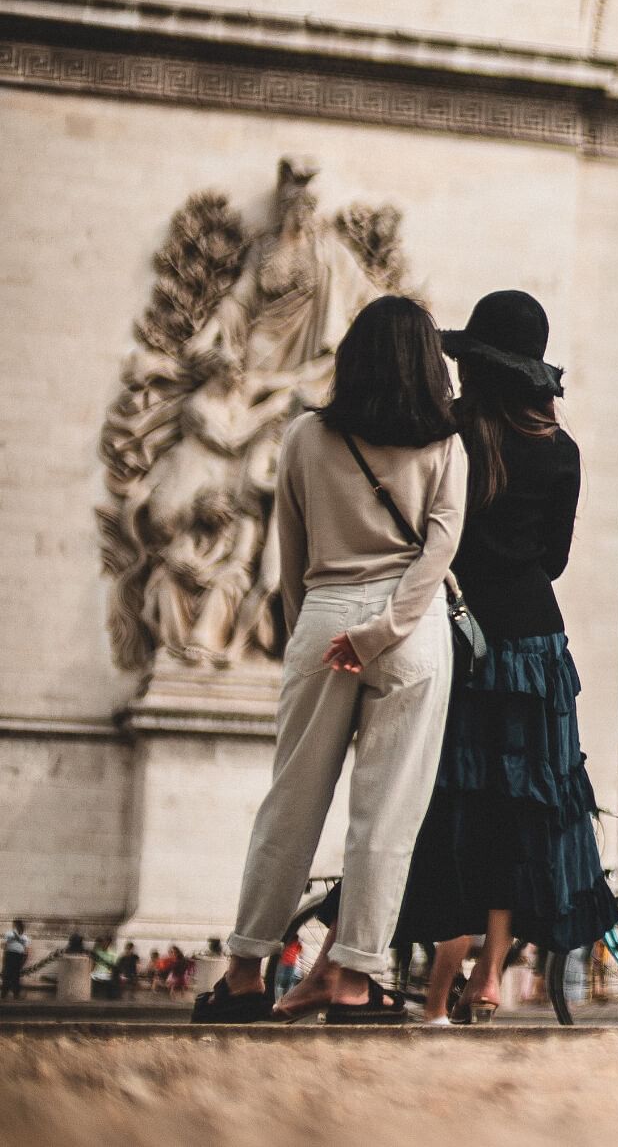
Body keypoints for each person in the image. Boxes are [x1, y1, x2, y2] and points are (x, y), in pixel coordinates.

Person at [194, 295, 467, 1026]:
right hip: (411, 634)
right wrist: (384, 632)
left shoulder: (304, 438)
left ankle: (245, 972)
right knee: (386, 817)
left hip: (324, 620)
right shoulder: (446, 443)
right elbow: (439, 554)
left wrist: (311, 639)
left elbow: (291, 555)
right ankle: (354, 980)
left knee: (291, 805)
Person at [391, 289, 617, 1026]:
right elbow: (553, 559)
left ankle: (432, 992)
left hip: (460, 638)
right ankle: (490, 973)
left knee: (459, 807)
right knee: (525, 810)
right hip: (536, 645)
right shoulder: (562, 451)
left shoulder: (451, 436)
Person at [3, 920, 27, 1000]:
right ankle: (16, 994)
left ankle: (4, 994)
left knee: (7, 975)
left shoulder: (9, 934)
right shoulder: (24, 936)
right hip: (18, 956)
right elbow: (26, 950)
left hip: (10, 955)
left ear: (15, 925)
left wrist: (4, 956)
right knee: (15, 976)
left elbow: (5, 946)